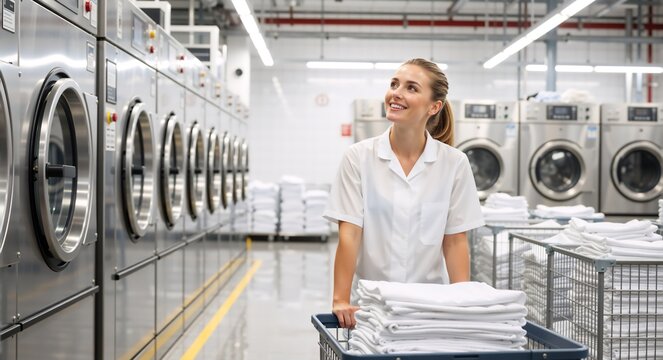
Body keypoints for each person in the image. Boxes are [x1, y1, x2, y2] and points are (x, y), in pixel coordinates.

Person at [323, 58, 484, 328]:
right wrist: (340, 299)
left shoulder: (454, 163)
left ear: (434, 107)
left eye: (411, 88)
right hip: (370, 307)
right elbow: (349, 234)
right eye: (394, 84)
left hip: (429, 308)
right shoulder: (359, 158)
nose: (396, 93)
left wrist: (461, 303)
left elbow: (455, 241)